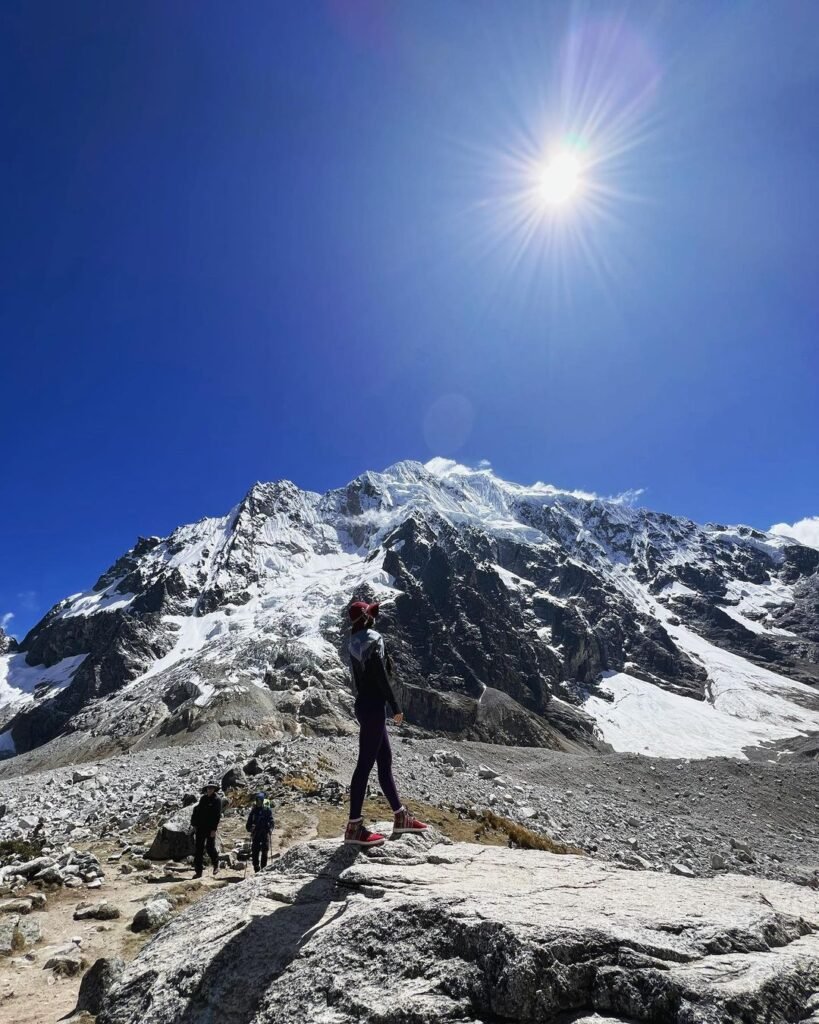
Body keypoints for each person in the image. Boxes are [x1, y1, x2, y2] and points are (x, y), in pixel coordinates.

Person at [344, 600, 428, 847]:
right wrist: (395, 706)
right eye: (371, 613)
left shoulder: (353, 641)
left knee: (384, 761)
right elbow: (380, 673)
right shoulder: (373, 638)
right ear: (367, 617)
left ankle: (400, 816)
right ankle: (354, 827)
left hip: (364, 706)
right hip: (375, 707)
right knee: (365, 766)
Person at [191, 782, 222, 877]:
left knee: (210, 847)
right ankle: (198, 871)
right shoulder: (203, 798)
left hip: (210, 828)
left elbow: (217, 816)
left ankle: (216, 864)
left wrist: (214, 829)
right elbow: (197, 811)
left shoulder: (217, 800)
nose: (209, 790)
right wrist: (194, 824)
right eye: (208, 788)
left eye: (212, 788)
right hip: (200, 827)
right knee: (198, 849)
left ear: (214, 789)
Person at [246, 791, 274, 872]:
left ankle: (263, 868)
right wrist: (251, 828)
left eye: (260, 801)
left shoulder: (267, 810)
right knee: (255, 852)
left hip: (265, 833)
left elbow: (271, 821)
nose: (258, 802)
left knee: (264, 851)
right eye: (257, 800)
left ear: (263, 801)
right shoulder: (253, 811)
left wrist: (270, 829)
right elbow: (248, 824)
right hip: (256, 834)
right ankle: (256, 867)